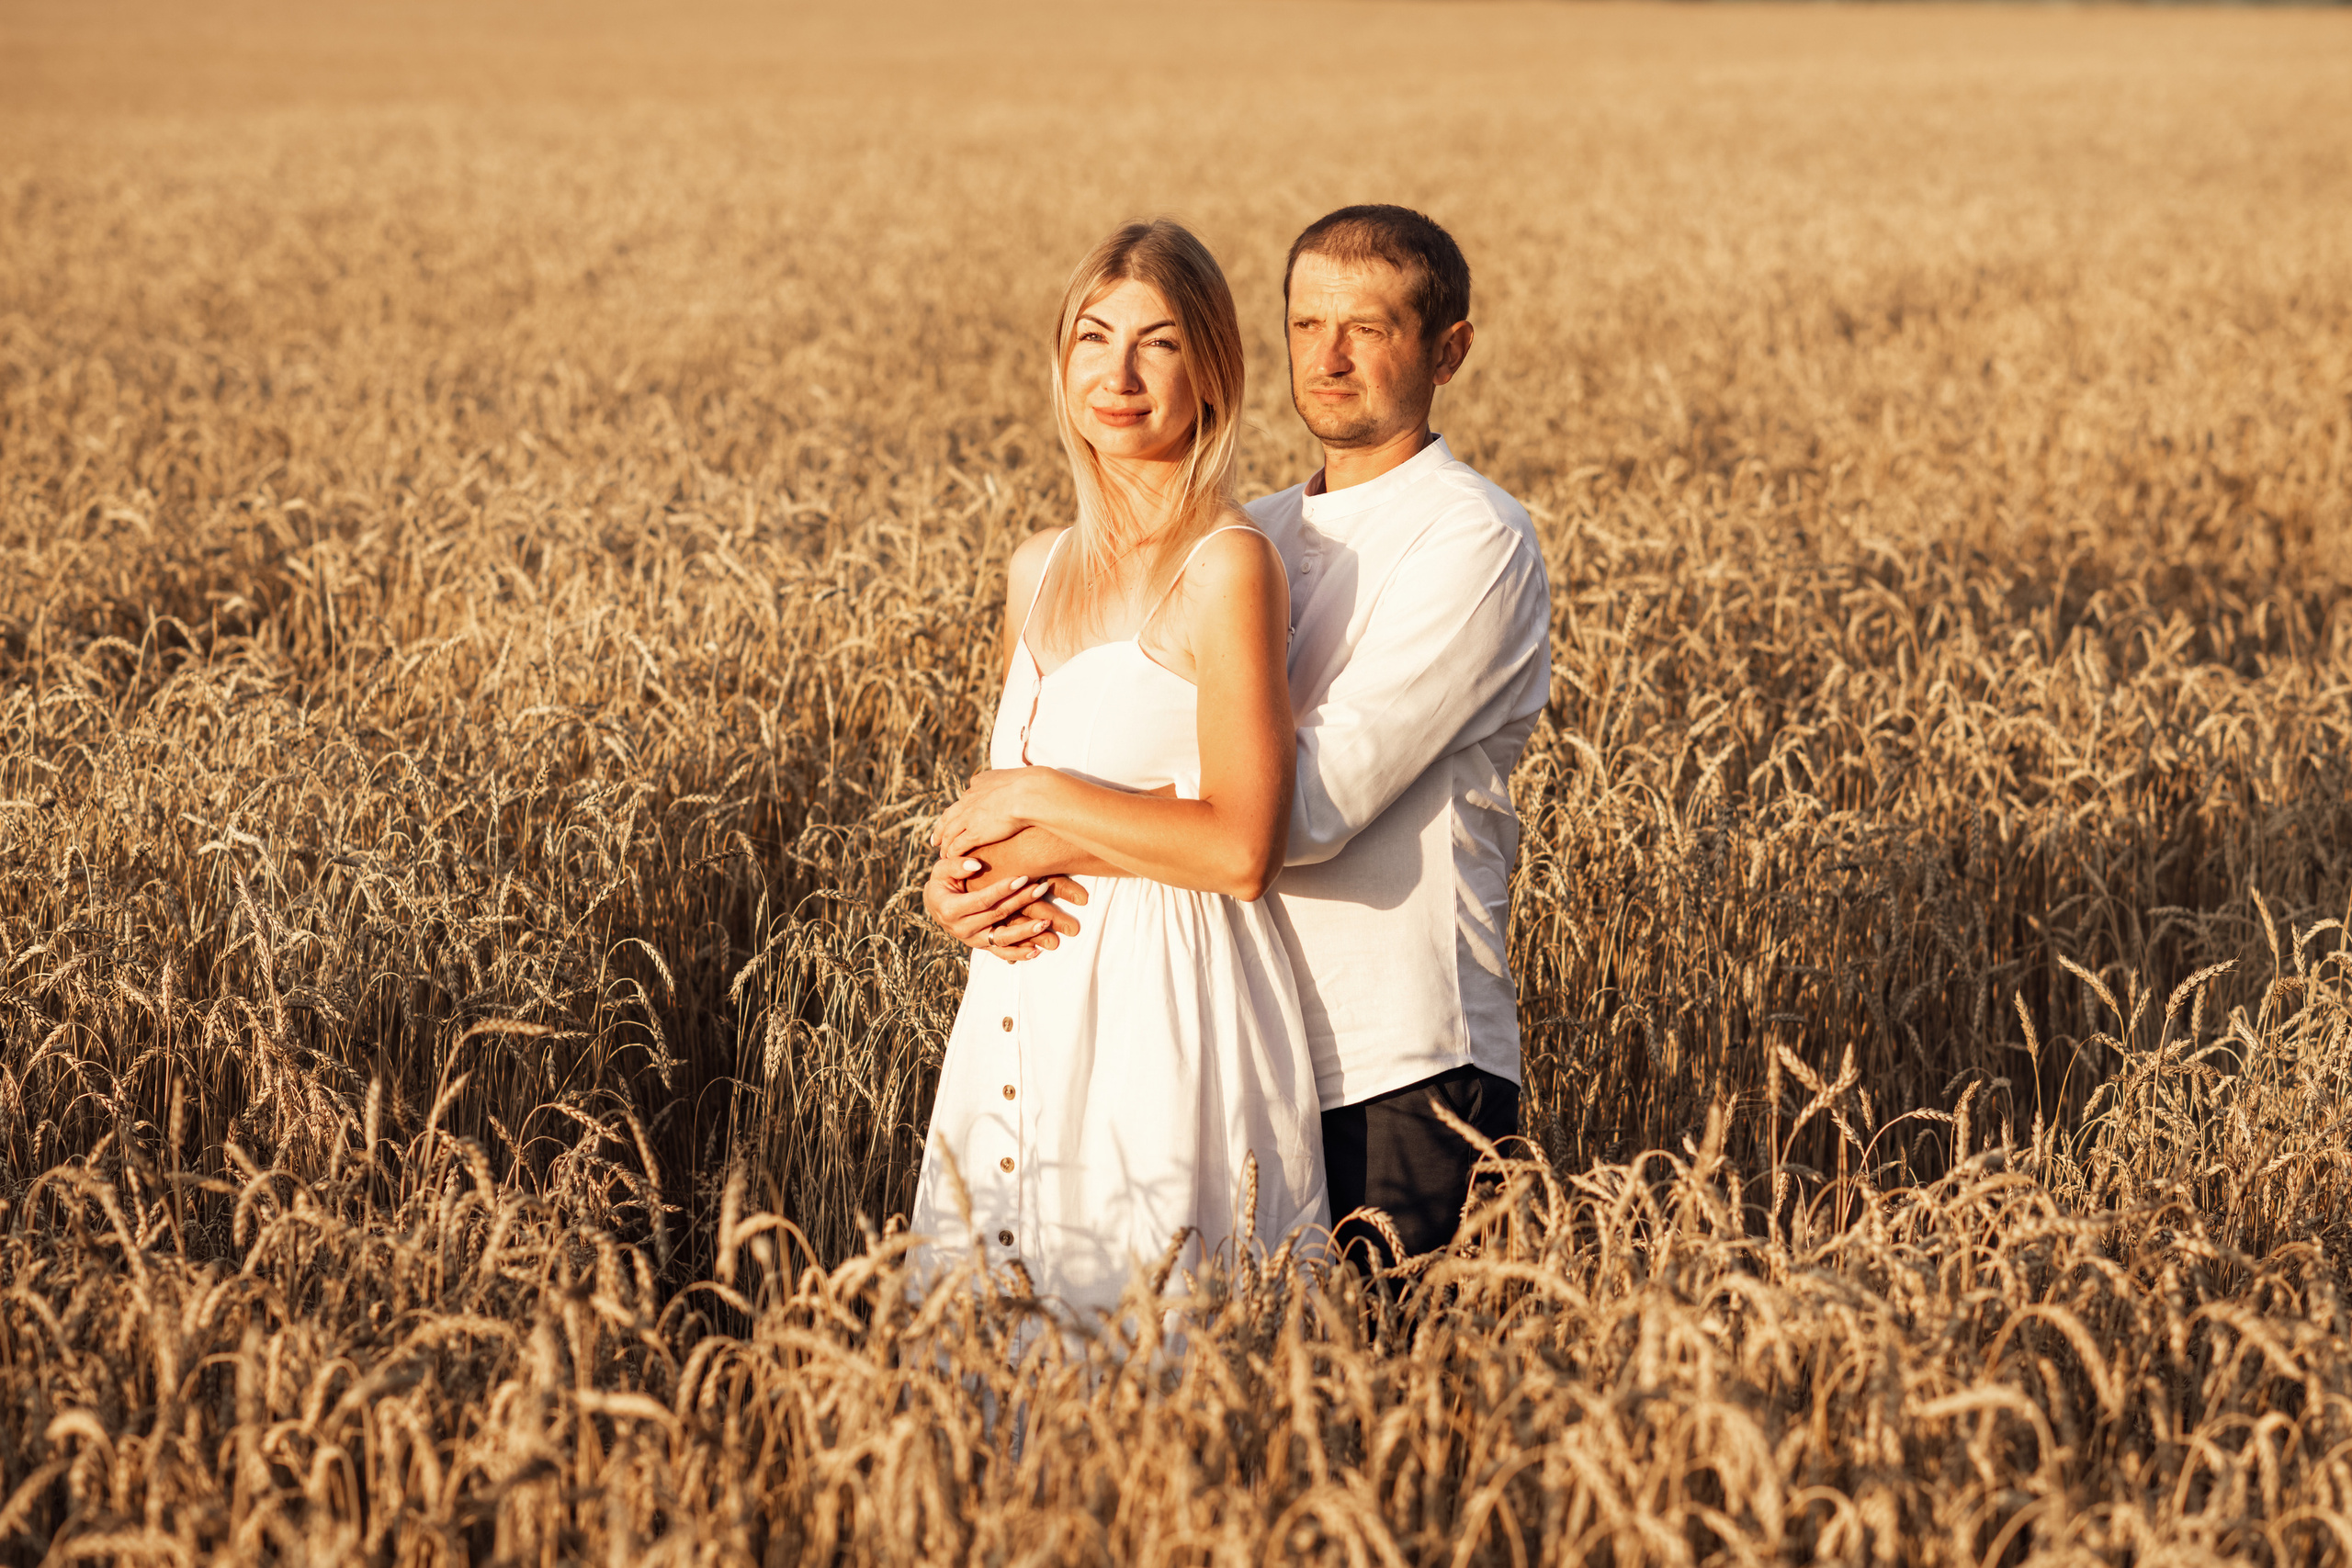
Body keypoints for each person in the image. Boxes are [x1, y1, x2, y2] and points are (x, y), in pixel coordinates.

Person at [928, 206, 1552, 1272]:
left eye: (1370, 327)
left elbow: (1291, 815)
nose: (1332, 356)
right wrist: (960, 879)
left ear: (1447, 351)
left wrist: (1023, 825)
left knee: (1383, 1410)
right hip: (1216, 1038)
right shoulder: (1251, 529)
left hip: (1395, 1060)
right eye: (1307, 325)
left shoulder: (1471, 538)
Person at [909, 220, 1329, 1316]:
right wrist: (952, 891)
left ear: (1210, 374)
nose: (1119, 374)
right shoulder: (1035, 571)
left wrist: (1040, 797)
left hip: (1164, 1013)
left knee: (1147, 1352)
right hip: (1016, 998)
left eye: (1158, 343)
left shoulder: (1227, 566)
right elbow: (988, 818)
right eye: (1093, 339)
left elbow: (1241, 848)